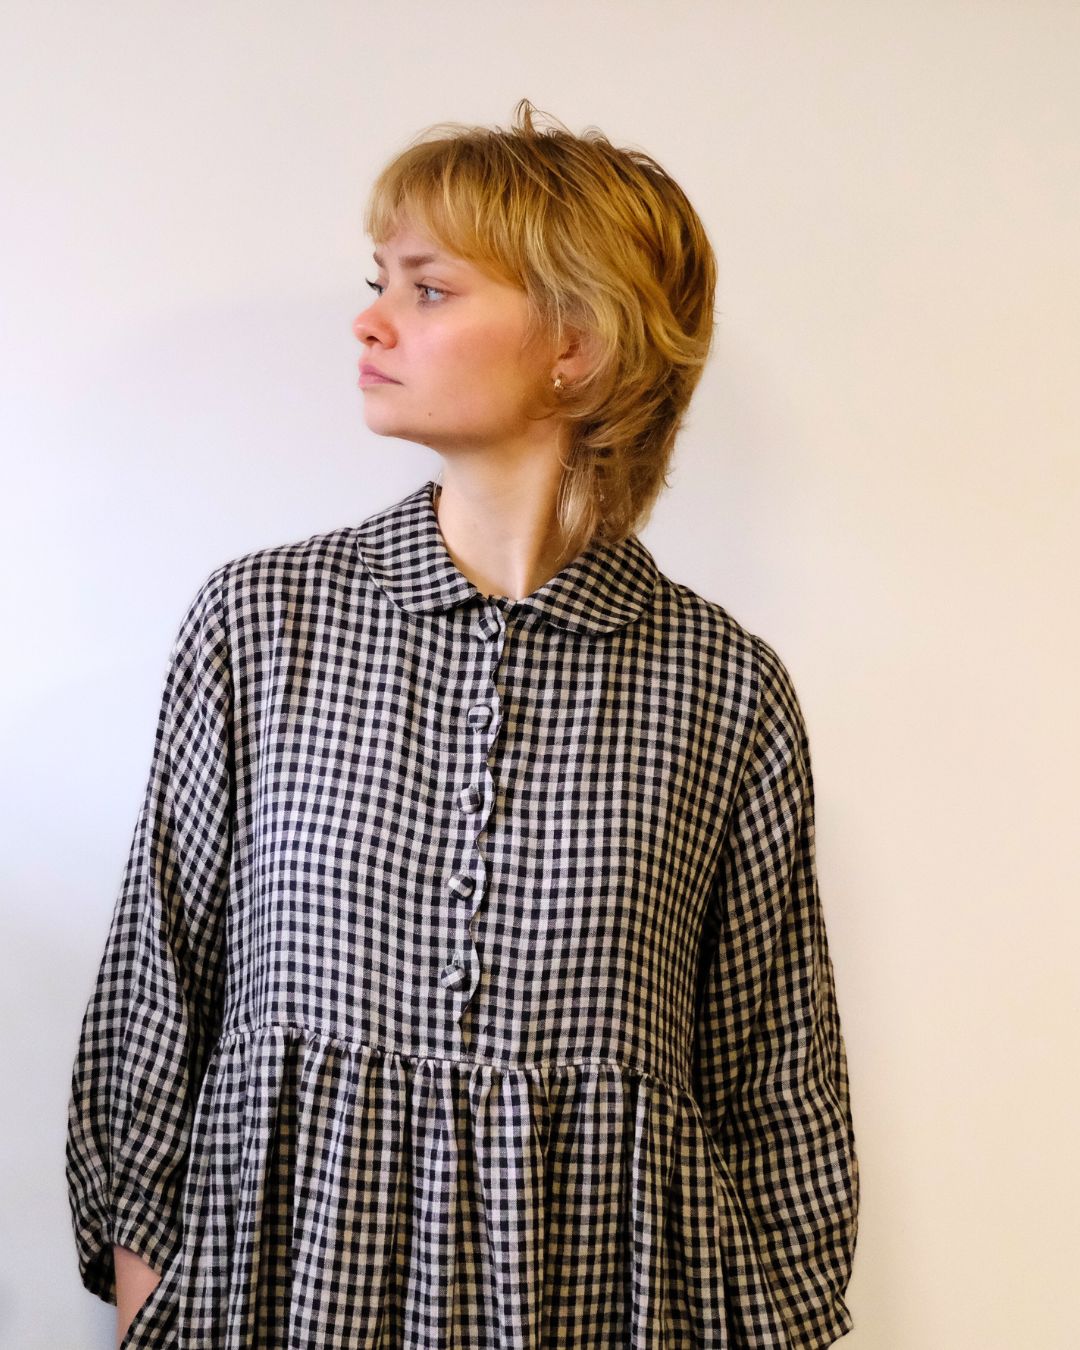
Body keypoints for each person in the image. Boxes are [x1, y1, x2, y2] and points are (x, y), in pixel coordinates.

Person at [66, 99, 860, 1348]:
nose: (370, 320)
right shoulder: (267, 620)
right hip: (283, 1285)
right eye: (379, 281)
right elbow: (160, 978)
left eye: (429, 290)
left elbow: (776, 1058)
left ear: (577, 344)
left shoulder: (721, 687)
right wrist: (143, 1279)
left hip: (604, 1300)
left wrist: (790, 1308)